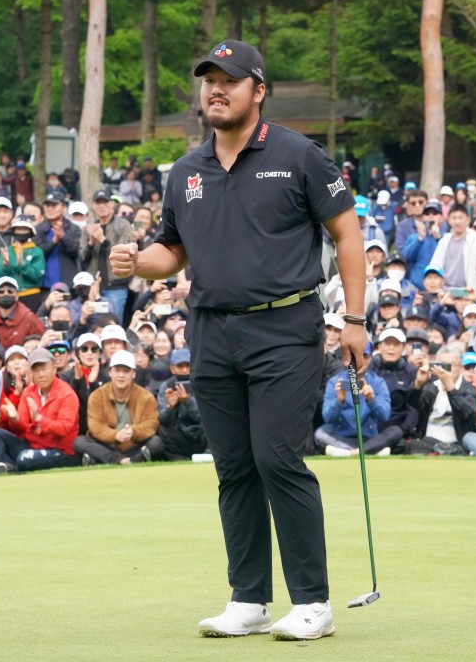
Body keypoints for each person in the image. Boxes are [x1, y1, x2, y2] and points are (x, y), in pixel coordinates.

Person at [110, 40, 366, 641]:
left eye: (229, 80)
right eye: (208, 81)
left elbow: (348, 236)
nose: (216, 90)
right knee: (233, 467)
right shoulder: (187, 171)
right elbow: (170, 252)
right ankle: (248, 599)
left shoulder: (299, 155)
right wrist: (135, 262)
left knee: (277, 457)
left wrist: (355, 320)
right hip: (211, 329)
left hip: (284, 326)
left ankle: (313, 603)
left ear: (258, 90)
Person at [0, 347, 81, 476]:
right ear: (31, 372)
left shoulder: (67, 394)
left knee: (24, 459)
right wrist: (15, 419)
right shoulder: (29, 392)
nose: (41, 375)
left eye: (44, 369)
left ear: (54, 369)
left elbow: (64, 429)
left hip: (60, 450)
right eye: (36, 370)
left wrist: (40, 419)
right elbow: (22, 427)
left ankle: (10, 465)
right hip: (33, 446)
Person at [74, 349, 163, 464]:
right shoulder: (97, 395)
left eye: (126, 371)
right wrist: (115, 435)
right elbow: (95, 427)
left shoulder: (146, 397)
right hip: (106, 447)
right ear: (110, 372)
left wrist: (133, 431)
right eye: (117, 370)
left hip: (134, 446)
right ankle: (124, 460)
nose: (121, 375)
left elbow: (151, 424)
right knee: (79, 441)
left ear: (133, 374)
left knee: (156, 442)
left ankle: (104, 461)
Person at [315, 343, 394, 456]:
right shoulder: (335, 382)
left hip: (368, 437)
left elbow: (385, 415)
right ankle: (368, 451)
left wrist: (371, 399)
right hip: (342, 436)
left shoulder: (378, 382)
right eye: (355, 356)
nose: (360, 360)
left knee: (395, 431)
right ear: (348, 358)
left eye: (364, 356)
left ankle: (348, 452)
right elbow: (327, 418)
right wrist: (339, 400)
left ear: (370, 358)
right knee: (320, 433)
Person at [156, 347, 208, 461]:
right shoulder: (167, 386)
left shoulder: (201, 383)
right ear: (172, 368)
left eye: (187, 365)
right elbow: (162, 419)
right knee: (161, 430)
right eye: (180, 366)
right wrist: (170, 407)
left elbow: (205, 415)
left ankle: (208, 454)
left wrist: (187, 402)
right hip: (180, 433)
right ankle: (178, 458)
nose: (185, 370)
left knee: (213, 422)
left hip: (201, 433)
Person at [0, 276, 45, 349]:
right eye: (1, 291)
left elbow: (41, 344)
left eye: (10, 291)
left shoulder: (30, 319)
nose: (6, 294)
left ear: (17, 296)